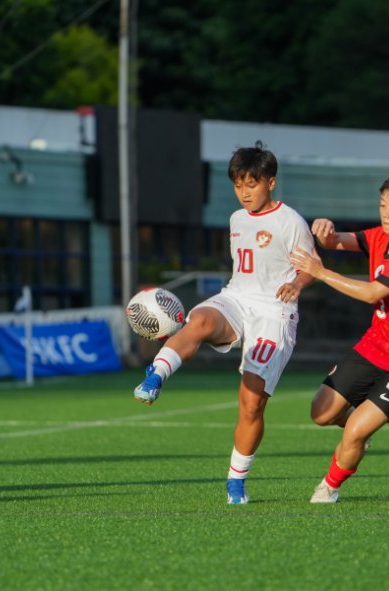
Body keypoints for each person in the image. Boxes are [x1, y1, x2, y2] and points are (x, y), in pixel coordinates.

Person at [133, 142, 315, 505]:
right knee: (198, 319)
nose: (245, 192)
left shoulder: (290, 221)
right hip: (236, 297)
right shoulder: (236, 219)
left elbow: (312, 265)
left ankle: (236, 480)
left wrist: (296, 283)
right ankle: (155, 376)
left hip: (274, 313)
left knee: (251, 404)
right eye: (238, 185)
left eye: (252, 183)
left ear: (271, 182)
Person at [289, 173, 389, 503]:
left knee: (355, 429)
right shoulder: (377, 237)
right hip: (374, 346)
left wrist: (321, 273)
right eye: (383, 205)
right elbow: (333, 242)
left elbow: (373, 293)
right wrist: (325, 229)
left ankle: (329, 487)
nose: (386, 213)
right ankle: (358, 433)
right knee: (321, 412)